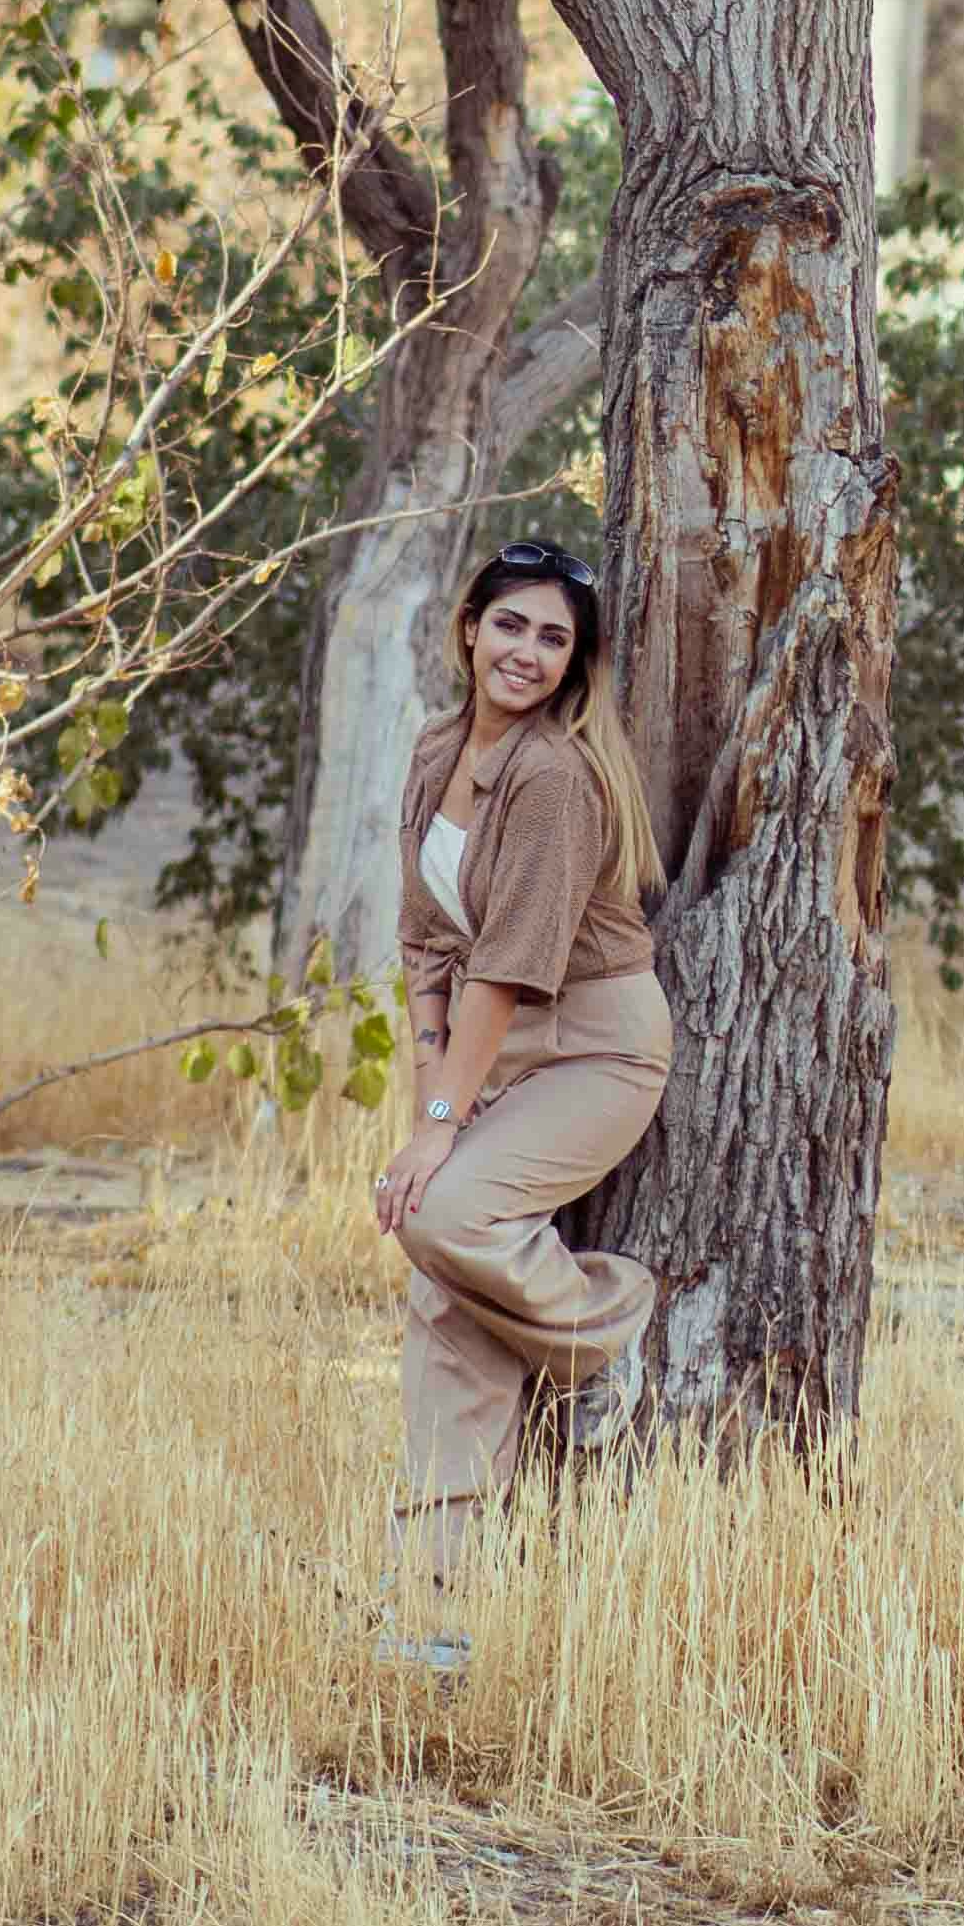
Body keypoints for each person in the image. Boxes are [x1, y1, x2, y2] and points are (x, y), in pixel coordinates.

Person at [373, 537, 672, 1599]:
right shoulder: (435, 748)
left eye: (554, 639)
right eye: (511, 624)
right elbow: (425, 944)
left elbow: (501, 969)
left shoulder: (552, 778)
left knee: (444, 1221)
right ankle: (435, 1595)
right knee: (446, 1294)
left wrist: (441, 1125)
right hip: (492, 1043)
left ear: (573, 664)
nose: (528, 652)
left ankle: (606, 1329)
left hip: (593, 1044)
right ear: (468, 628)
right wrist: (431, 1099)